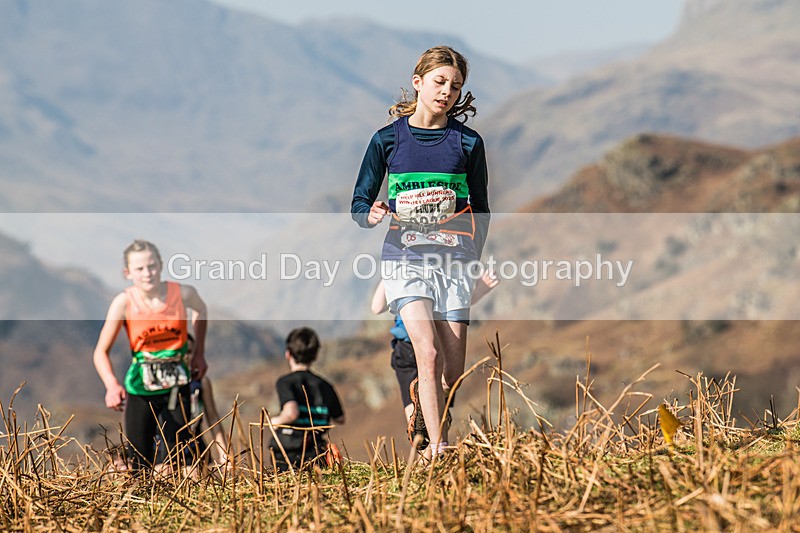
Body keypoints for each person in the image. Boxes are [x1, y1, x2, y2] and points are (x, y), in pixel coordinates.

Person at [352, 46, 490, 457]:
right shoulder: (387, 140)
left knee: (453, 371)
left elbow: (481, 209)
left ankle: (426, 405)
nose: (447, 91)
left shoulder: (468, 142)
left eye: (455, 86)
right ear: (418, 83)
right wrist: (370, 213)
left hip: (455, 260)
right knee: (426, 353)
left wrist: (473, 262)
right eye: (439, 82)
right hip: (404, 257)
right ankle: (438, 447)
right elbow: (359, 202)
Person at [93, 239, 208, 472]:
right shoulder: (124, 303)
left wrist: (199, 353)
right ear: (128, 273)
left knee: (176, 456)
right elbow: (100, 352)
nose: (147, 273)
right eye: (140, 268)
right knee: (140, 461)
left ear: (161, 265)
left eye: (152, 266)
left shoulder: (183, 293)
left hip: (177, 384)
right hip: (140, 388)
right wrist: (111, 385)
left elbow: (201, 310)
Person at [371, 270, 498, 443]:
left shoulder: (439, 269)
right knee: (424, 433)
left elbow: (454, 306)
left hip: (425, 350)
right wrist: (389, 273)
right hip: (413, 352)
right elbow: (377, 307)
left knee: (429, 425)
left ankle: (426, 410)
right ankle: (427, 416)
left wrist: (480, 290)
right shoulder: (401, 267)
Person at [266, 327, 345, 471]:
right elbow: (340, 418)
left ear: (288, 354)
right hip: (317, 451)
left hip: (290, 452)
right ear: (315, 356)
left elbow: (291, 413)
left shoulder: (285, 382)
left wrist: (275, 421)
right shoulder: (326, 385)